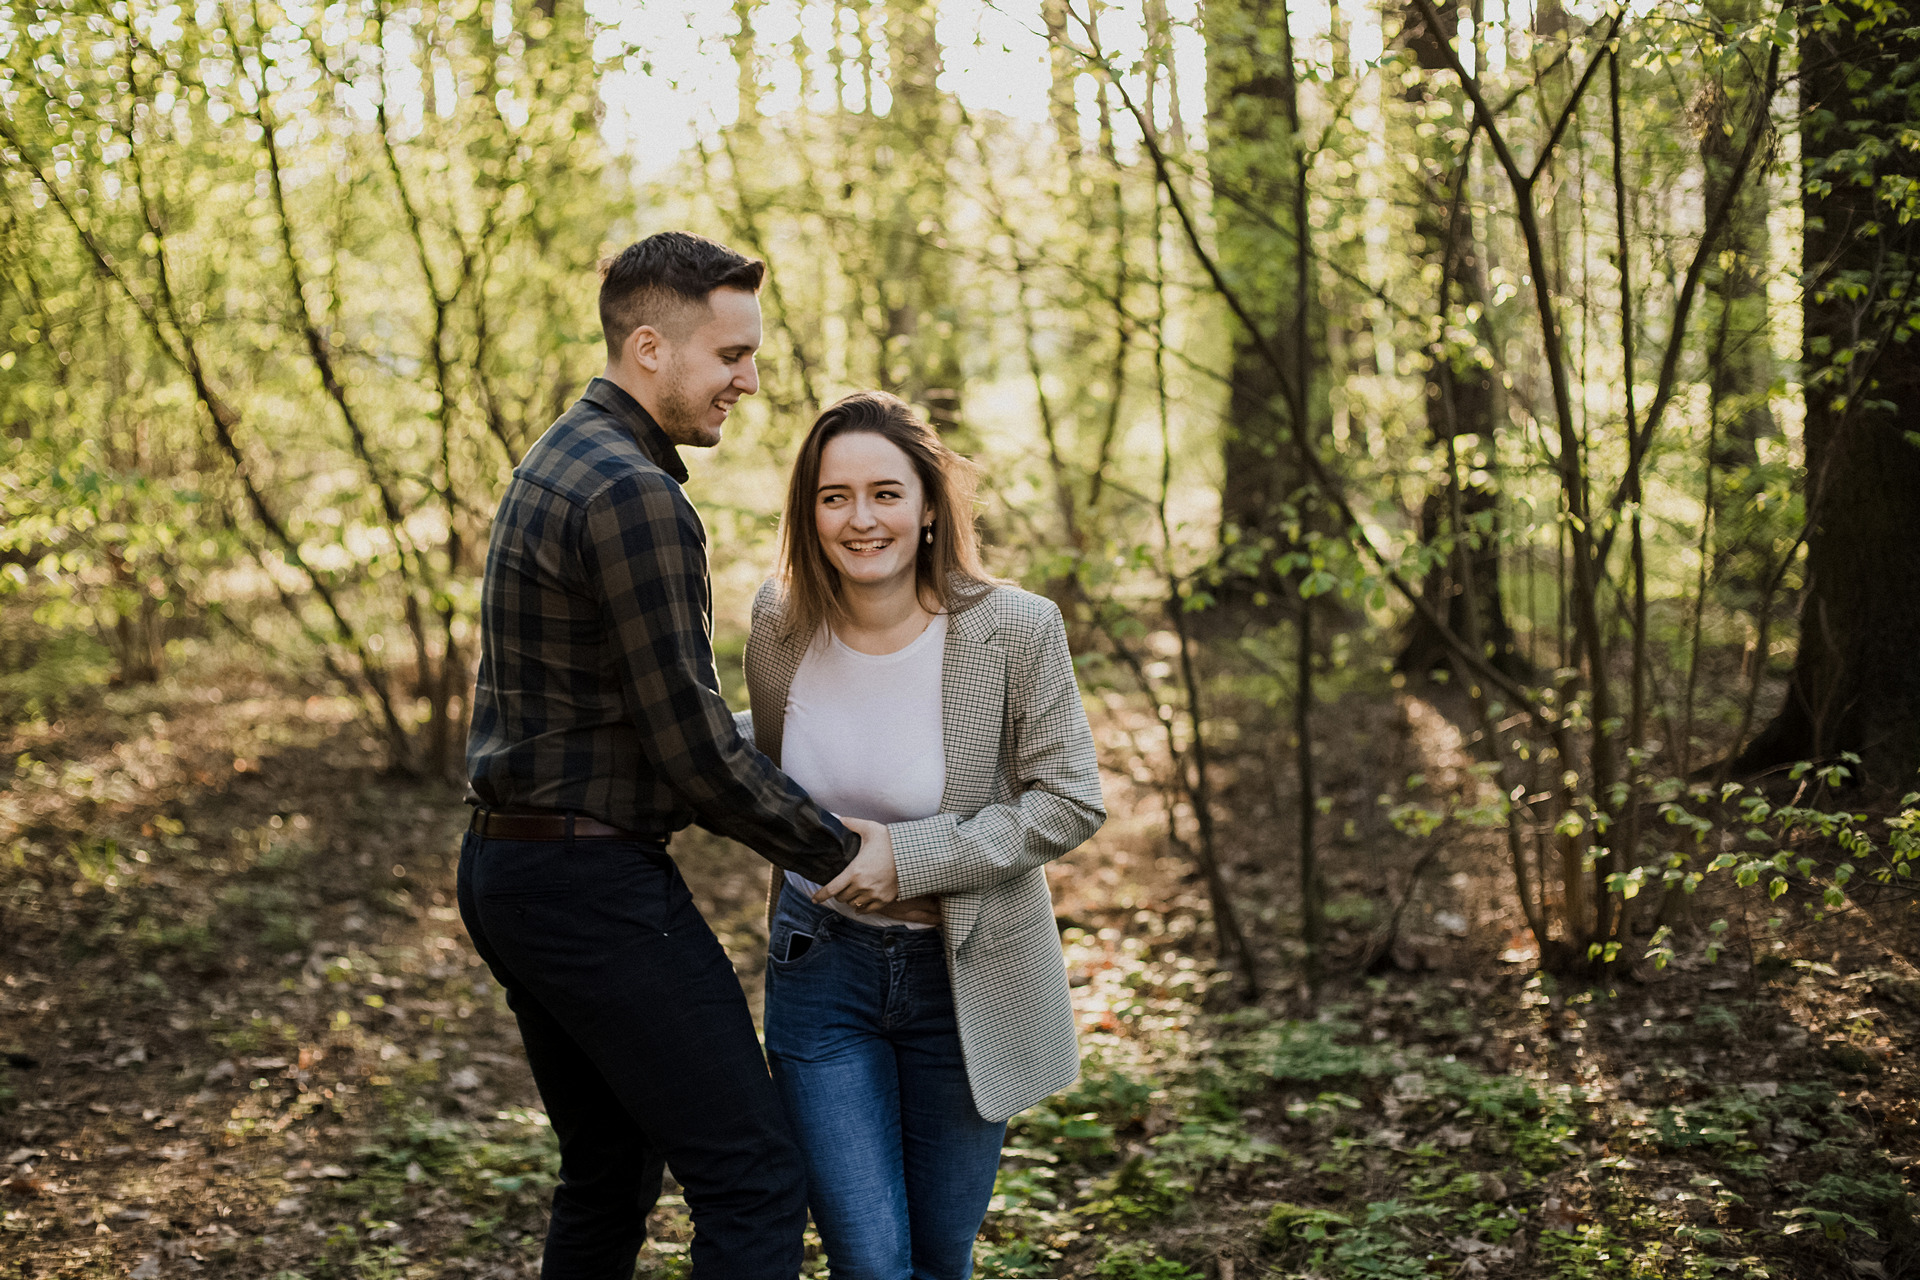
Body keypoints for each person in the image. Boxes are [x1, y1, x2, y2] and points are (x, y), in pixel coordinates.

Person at [460, 231, 877, 1280]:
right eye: (730, 355)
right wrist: (841, 850)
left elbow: (645, 720)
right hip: (587, 885)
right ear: (650, 345)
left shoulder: (564, 453)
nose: (749, 379)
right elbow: (691, 748)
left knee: (607, 1166)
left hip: (513, 870)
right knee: (754, 1177)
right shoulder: (636, 494)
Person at [742, 391, 1106, 1280]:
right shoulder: (779, 622)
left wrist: (912, 857)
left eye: (885, 493)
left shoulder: (1014, 629)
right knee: (871, 1263)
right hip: (819, 967)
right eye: (834, 497)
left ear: (931, 505)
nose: (860, 519)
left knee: (942, 1257)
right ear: (808, 511)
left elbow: (1070, 798)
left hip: (965, 975)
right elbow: (763, 765)